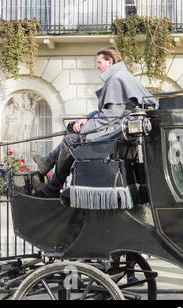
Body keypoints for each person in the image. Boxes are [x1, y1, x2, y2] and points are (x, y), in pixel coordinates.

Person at [32, 47, 157, 198]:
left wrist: (84, 129)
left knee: (70, 140)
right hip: (116, 130)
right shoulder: (122, 76)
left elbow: (109, 117)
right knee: (73, 130)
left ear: (109, 61)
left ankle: (51, 187)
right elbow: (106, 111)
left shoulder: (116, 79)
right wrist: (86, 119)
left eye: (99, 62)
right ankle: (47, 164)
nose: (97, 66)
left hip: (115, 133)